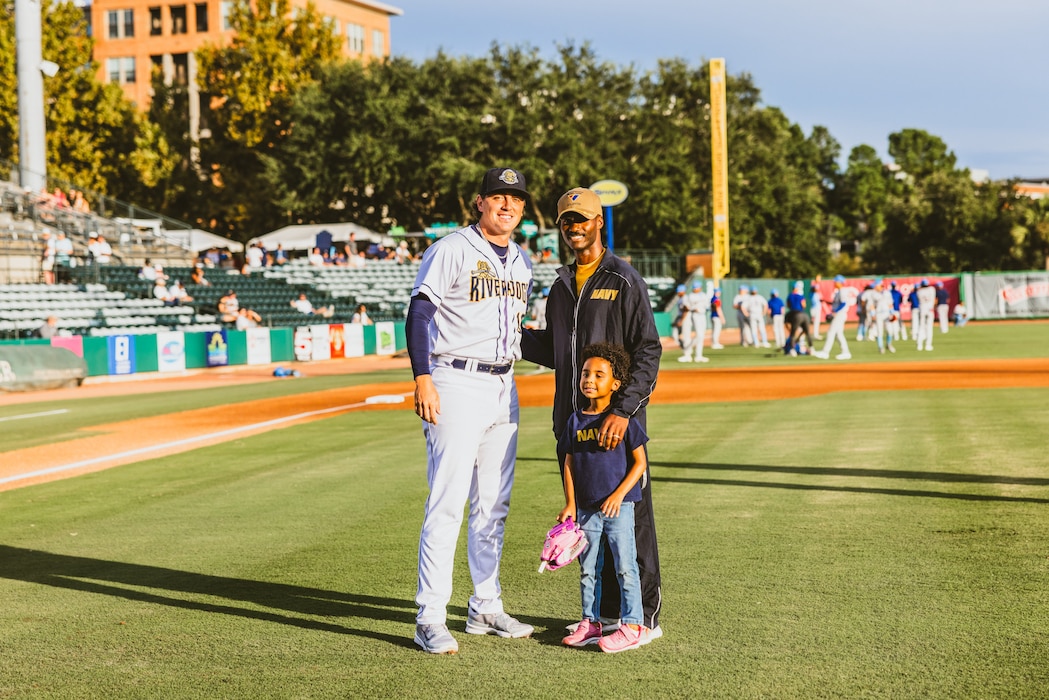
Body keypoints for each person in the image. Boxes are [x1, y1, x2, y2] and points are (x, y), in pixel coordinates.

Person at [521, 185, 663, 643]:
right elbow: (558, 352)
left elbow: (647, 350)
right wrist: (511, 333)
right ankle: (600, 619)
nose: (574, 227)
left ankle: (643, 621)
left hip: (615, 420)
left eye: (581, 219)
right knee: (589, 524)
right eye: (566, 221)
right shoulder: (561, 285)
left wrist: (624, 411)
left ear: (598, 222)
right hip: (574, 422)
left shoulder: (622, 278)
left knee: (629, 523)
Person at [407, 166, 535, 654]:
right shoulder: (452, 248)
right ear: (479, 202)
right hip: (455, 380)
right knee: (448, 500)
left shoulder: (520, 261)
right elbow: (420, 311)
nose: (507, 205)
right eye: (498, 197)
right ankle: (429, 615)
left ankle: (485, 605)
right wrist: (422, 377)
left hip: (505, 383)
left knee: (492, 506)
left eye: (516, 199)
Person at [558, 342, 649, 653]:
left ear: (615, 384)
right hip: (585, 509)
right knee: (587, 567)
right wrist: (570, 503)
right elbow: (569, 463)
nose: (590, 380)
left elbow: (641, 463)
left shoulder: (623, 421)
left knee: (625, 566)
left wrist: (618, 495)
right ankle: (591, 622)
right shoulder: (575, 420)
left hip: (618, 507)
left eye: (599, 375)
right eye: (586, 374)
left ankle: (634, 625)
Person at [813, 275, 852, 360]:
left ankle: (825, 352)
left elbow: (843, 303)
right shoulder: (839, 291)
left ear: (840, 282)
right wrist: (826, 302)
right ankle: (846, 352)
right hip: (840, 313)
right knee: (839, 334)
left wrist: (835, 312)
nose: (834, 283)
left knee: (831, 332)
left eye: (836, 281)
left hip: (840, 314)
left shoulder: (842, 291)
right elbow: (837, 303)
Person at [677, 280, 710, 363]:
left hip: (702, 315)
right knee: (699, 335)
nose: (696, 289)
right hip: (694, 315)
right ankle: (688, 351)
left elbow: (707, 306)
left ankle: (699, 355)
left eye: (697, 287)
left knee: (701, 336)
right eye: (695, 288)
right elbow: (688, 307)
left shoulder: (703, 295)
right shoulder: (690, 296)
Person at [784, 281, 812, 356]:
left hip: (794, 314)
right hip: (803, 314)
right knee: (807, 332)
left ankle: (793, 350)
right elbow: (804, 305)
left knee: (792, 334)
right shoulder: (801, 296)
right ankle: (812, 349)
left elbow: (788, 305)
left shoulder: (790, 296)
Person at [916, 279, 936, 351]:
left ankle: (919, 345)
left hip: (922, 309)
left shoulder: (919, 291)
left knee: (921, 327)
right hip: (930, 310)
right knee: (929, 328)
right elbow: (934, 299)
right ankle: (928, 345)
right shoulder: (931, 289)